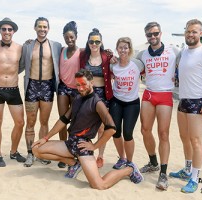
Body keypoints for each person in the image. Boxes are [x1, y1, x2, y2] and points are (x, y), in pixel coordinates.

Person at [32, 69, 143, 189]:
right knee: (36, 149)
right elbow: (63, 120)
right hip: (70, 144)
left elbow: (112, 129)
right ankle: (74, 164)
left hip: (83, 147)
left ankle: (129, 170)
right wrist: (45, 138)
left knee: (99, 185)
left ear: (91, 82)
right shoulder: (77, 98)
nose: (80, 88)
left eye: (83, 84)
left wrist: (94, 146)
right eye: (78, 85)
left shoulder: (97, 103)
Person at [169, 19, 202, 193]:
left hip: (198, 101)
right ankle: (187, 169)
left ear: (200, 33)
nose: (190, 34)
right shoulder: (184, 52)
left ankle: (195, 178)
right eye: (188, 31)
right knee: (184, 138)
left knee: (196, 141)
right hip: (183, 100)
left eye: (194, 31)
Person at [136, 22, 180, 190]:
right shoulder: (142, 54)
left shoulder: (174, 50)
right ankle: (153, 162)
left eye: (155, 33)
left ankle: (163, 172)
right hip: (149, 93)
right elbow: (130, 65)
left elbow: (188, 62)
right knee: (145, 129)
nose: (152, 37)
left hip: (165, 94)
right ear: (146, 36)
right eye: (149, 34)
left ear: (161, 33)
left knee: (163, 134)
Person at [19, 17, 62, 167]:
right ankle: (30, 153)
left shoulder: (56, 46)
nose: (42, 29)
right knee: (30, 122)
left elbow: (73, 53)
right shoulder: (28, 46)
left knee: (44, 122)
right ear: (35, 28)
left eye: (45, 27)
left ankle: (41, 153)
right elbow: (18, 66)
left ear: (48, 29)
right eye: (40, 26)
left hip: (47, 87)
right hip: (31, 86)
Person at [0, 17, 25, 167]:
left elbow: (23, 65)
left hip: (13, 89)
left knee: (20, 122)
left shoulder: (20, 48)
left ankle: (13, 151)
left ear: (14, 31)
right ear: (0, 30)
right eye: (4, 29)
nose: (6, 31)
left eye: (9, 29)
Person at [79, 28, 113, 168]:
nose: (94, 44)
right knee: (86, 125)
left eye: (97, 41)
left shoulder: (107, 57)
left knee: (102, 128)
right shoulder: (83, 56)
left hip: (103, 95)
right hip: (87, 94)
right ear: (88, 42)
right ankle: (85, 153)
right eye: (91, 41)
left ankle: (100, 155)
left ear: (101, 42)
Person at [109, 37, 144, 170]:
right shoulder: (113, 64)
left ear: (130, 49)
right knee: (116, 132)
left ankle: (130, 161)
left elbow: (149, 72)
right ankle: (122, 158)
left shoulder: (137, 64)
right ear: (117, 49)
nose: (123, 50)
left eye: (126, 47)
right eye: (120, 47)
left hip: (132, 103)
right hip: (116, 101)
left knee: (128, 133)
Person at [57, 21, 81, 168]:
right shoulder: (61, 50)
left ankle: (73, 151)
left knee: (75, 123)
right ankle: (63, 153)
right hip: (63, 88)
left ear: (76, 37)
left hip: (77, 90)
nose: (69, 40)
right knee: (62, 121)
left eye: (72, 37)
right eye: (67, 37)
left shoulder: (82, 52)